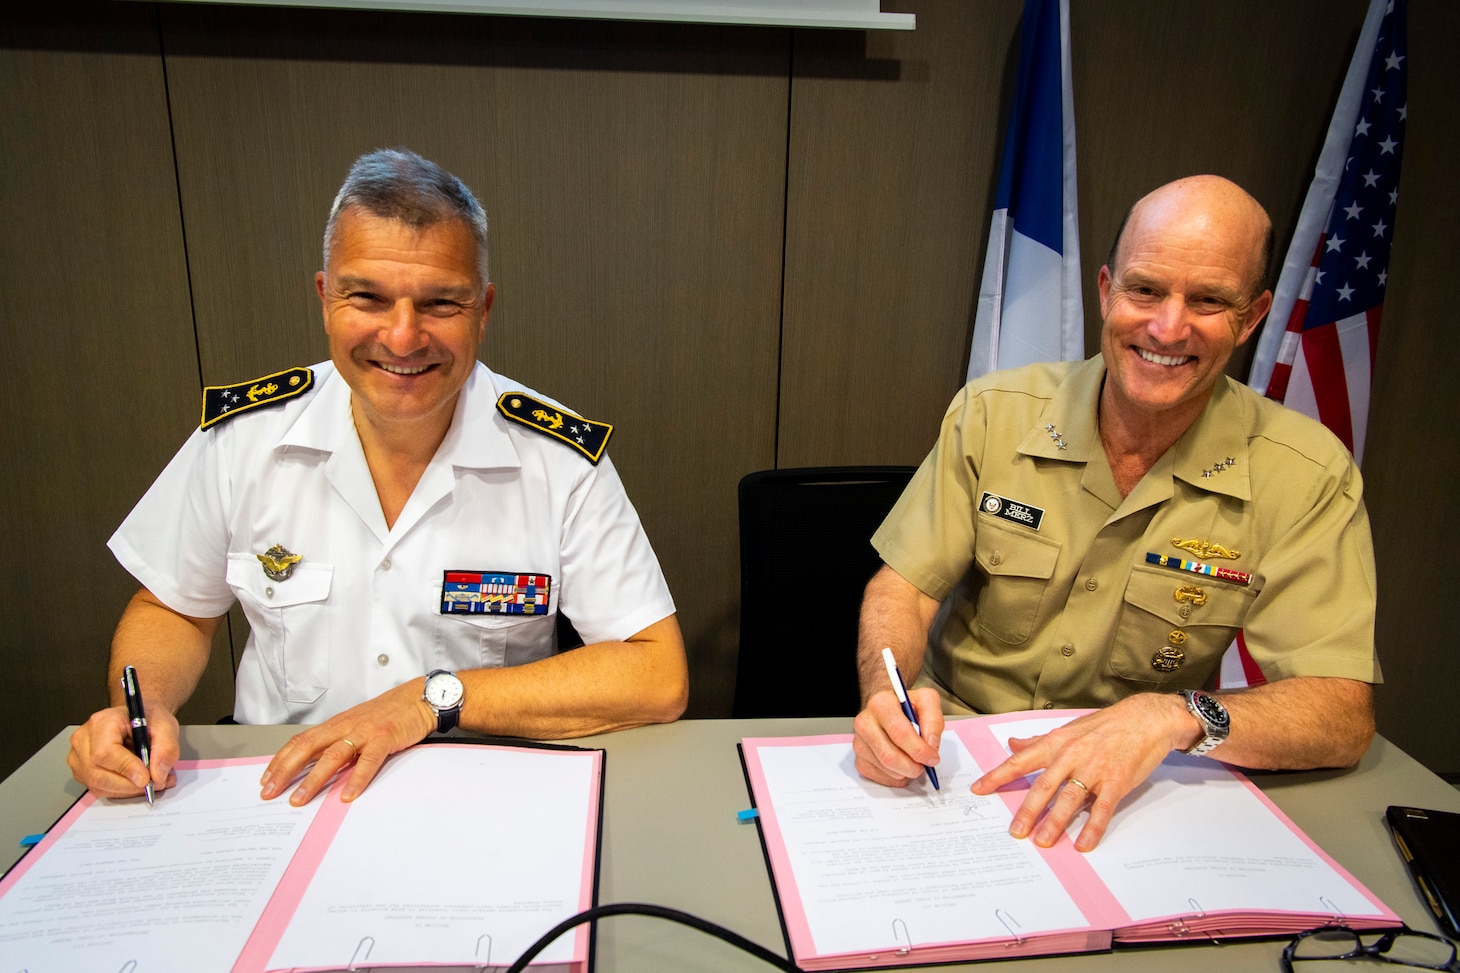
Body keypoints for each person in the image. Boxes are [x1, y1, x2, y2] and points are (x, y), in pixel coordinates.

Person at [68, 148, 688, 806]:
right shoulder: (241, 439)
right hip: (283, 789)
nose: (401, 337)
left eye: (440, 303)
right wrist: (145, 709)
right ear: (324, 296)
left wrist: (428, 701)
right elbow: (173, 607)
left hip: (483, 792)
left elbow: (656, 672)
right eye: (367, 296)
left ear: (484, 308)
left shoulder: (557, 458)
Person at [853, 174, 1379, 852]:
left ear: (1252, 317)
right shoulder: (992, 414)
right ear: (1106, 290)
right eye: (1146, 289)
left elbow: (1340, 713)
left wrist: (1175, 716)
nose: (1167, 326)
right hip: (950, 760)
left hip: (1138, 786)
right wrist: (883, 697)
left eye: (1210, 300)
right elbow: (902, 588)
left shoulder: (1306, 473)